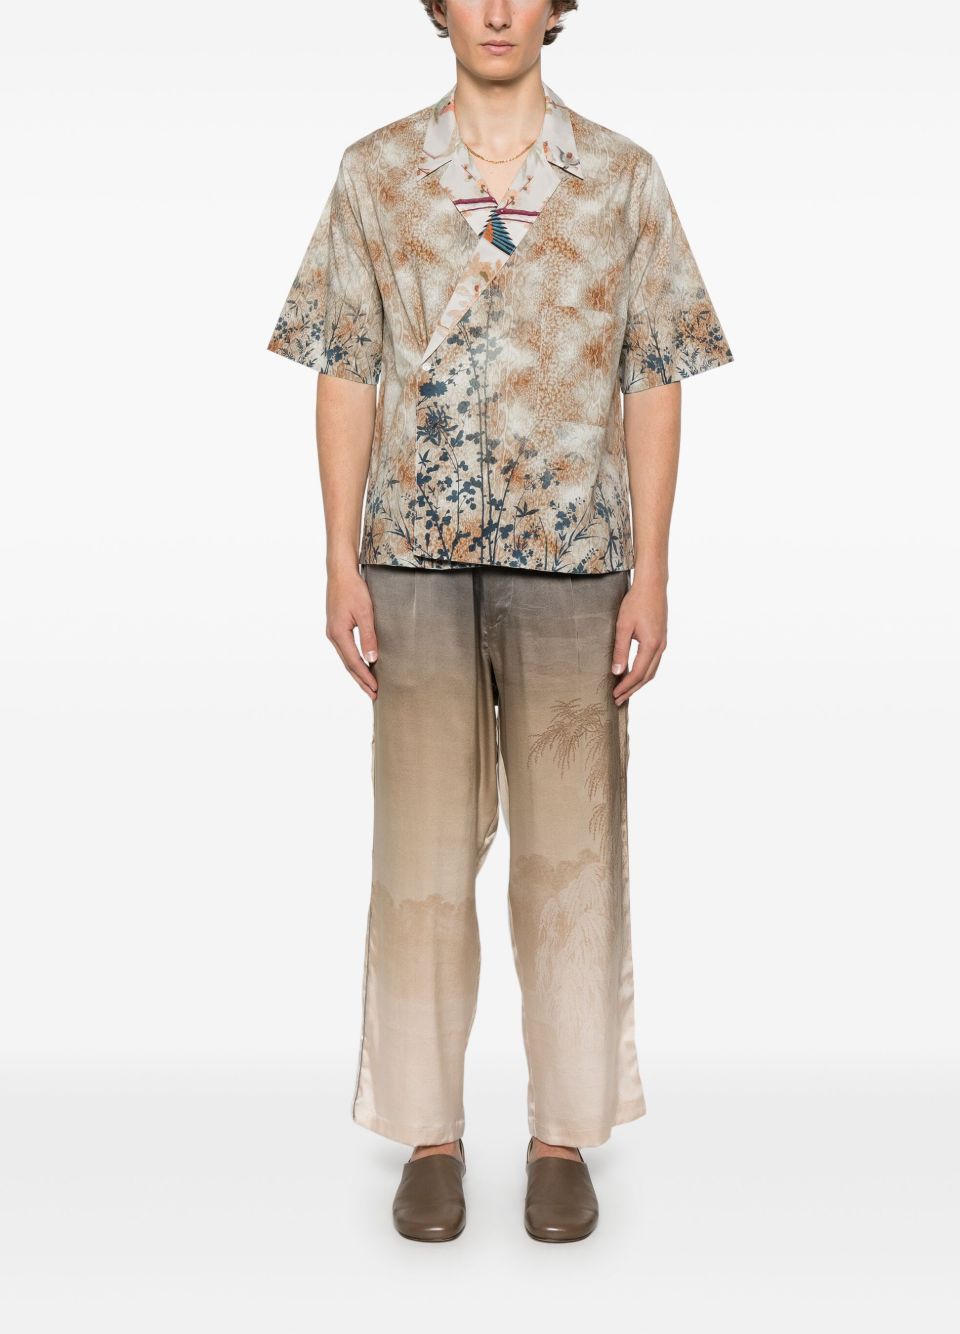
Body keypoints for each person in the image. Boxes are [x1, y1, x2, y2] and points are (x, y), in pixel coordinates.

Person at [266, 0, 733, 1244]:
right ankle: (429, 1131)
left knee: (570, 858)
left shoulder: (622, 177)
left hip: (575, 561)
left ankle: (560, 1134)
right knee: (419, 857)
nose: (495, 10)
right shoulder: (375, 173)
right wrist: (337, 559)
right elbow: (345, 364)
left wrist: (652, 574)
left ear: (556, 7)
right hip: (411, 559)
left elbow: (654, 378)